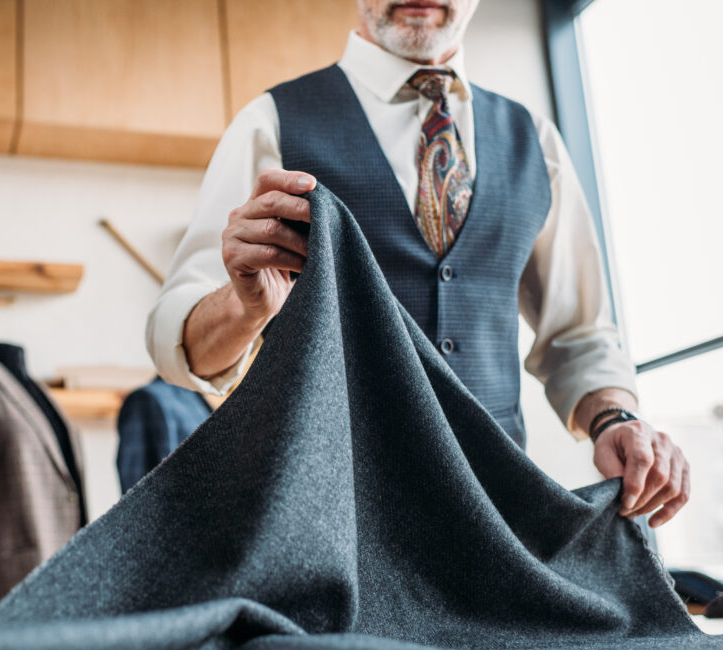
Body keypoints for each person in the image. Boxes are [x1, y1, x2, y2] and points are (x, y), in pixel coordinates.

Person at [146, 0, 688, 528]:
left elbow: (579, 336)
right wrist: (243, 309)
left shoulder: (536, 141)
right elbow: (178, 342)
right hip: (332, 521)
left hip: (495, 519)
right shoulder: (269, 123)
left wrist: (615, 417)